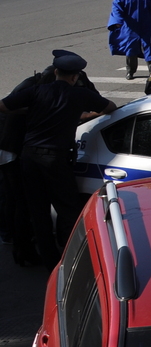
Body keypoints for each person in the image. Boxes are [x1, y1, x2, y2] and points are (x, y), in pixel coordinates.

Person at [0, 51, 116, 267]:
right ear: (74, 77)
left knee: (38, 211)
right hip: (56, 160)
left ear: (55, 72)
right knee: (68, 209)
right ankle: (75, 259)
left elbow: (4, 106)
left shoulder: (36, 91)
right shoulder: (79, 95)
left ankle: (50, 260)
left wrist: (30, 111)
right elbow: (110, 108)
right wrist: (86, 115)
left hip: (29, 157)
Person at [109, 0, 151, 79]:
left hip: (147, 26)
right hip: (131, 27)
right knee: (131, 50)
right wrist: (118, 21)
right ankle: (130, 71)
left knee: (149, 49)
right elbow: (116, 8)